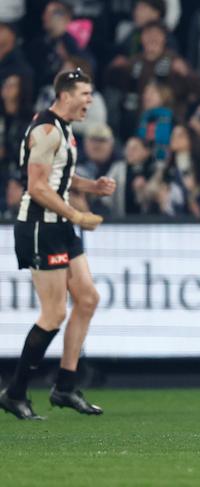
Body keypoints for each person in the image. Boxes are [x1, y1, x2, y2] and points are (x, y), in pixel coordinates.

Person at [0, 68, 116, 420]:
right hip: (40, 227)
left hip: (60, 224)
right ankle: (15, 392)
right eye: (84, 94)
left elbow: (57, 176)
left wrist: (90, 187)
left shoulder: (62, 129)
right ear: (65, 95)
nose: (89, 101)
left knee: (88, 298)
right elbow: (36, 187)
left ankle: (65, 386)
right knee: (54, 313)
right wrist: (77, 215)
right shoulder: (47, 130)